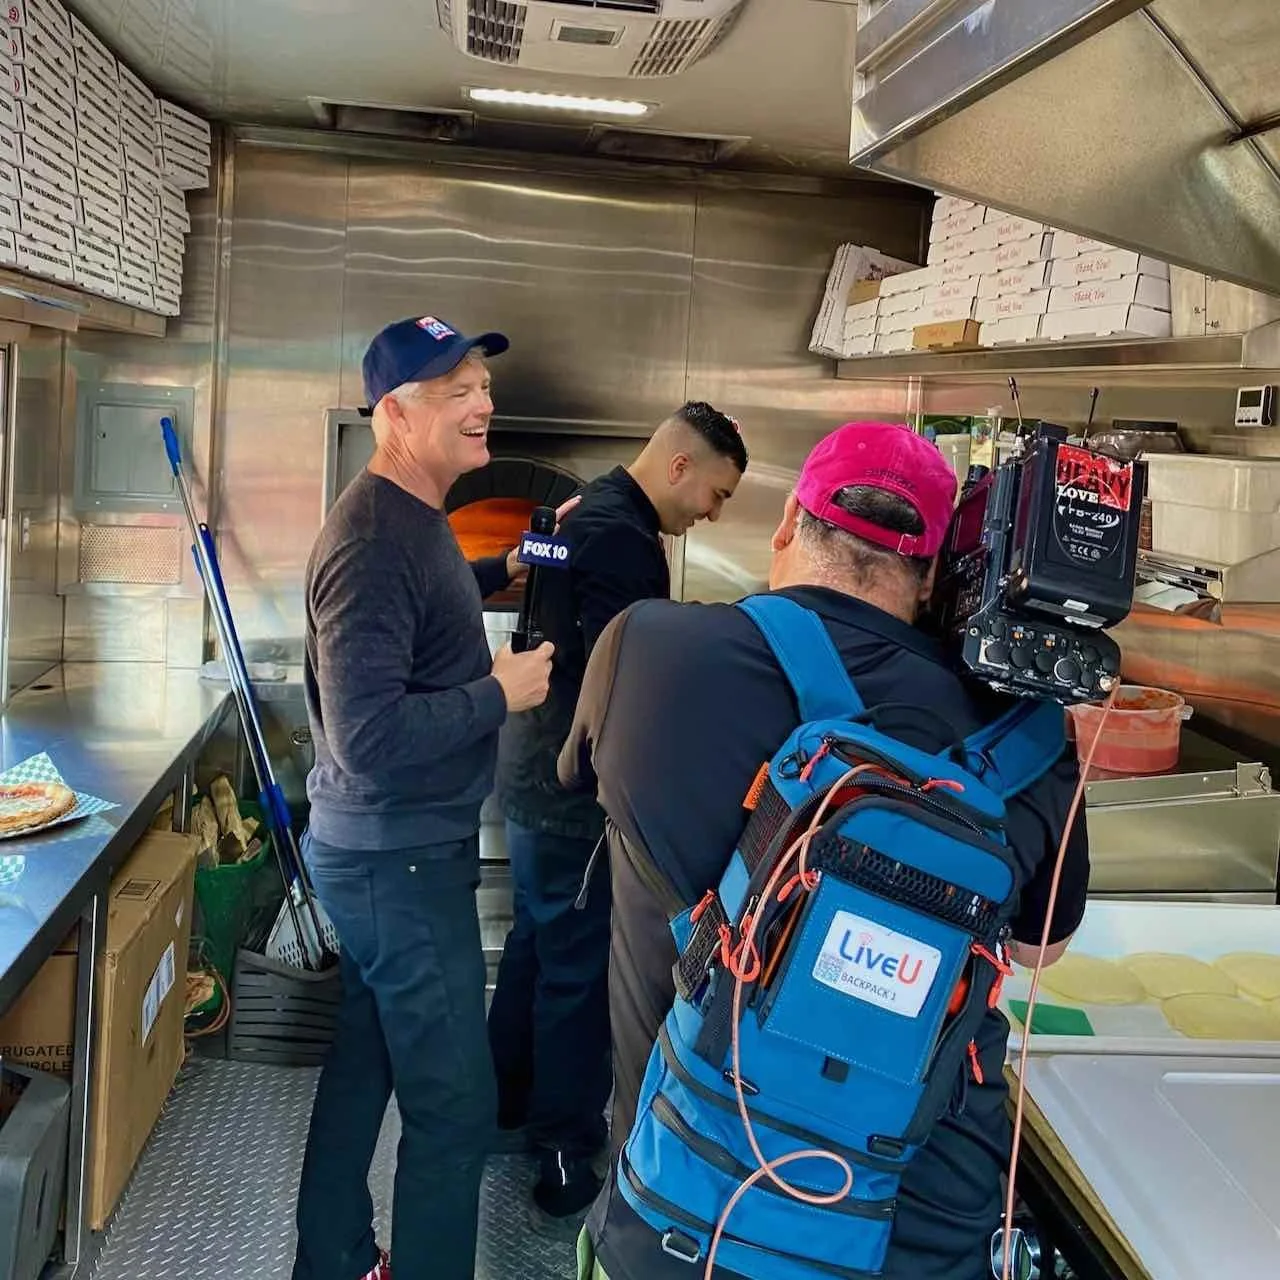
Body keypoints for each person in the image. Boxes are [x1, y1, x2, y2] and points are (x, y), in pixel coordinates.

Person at [557, 421, 1090, 1280]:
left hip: (688, 1197)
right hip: (909, 1227)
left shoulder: (647, 648)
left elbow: (578, 776)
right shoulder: (1029, 735)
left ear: (786, 528)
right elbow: (1039, 948)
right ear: (932, 578)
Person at [293, 313, 567, 1280]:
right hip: (396, 862)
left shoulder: (413, 518)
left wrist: (506, 567)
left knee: (366, 1063)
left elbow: (425, 609)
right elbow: (368, 739)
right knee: (454, 1108)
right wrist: (500, 692)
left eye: (482, 386)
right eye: (457, 392)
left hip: (391, 856)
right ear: (396, 416)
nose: (483, 402)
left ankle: (332, 1259)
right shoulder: (371, 540)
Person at [488, 401, 749, 1235]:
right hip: (568, 786)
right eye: (716, 493)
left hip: (531, 769)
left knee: (536, 945)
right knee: (573, 970)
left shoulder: (588, 512)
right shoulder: (623, 541)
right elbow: (625, 679)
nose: (713, 513)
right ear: (679, 466)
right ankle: (563, 1150)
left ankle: (503, 1102)